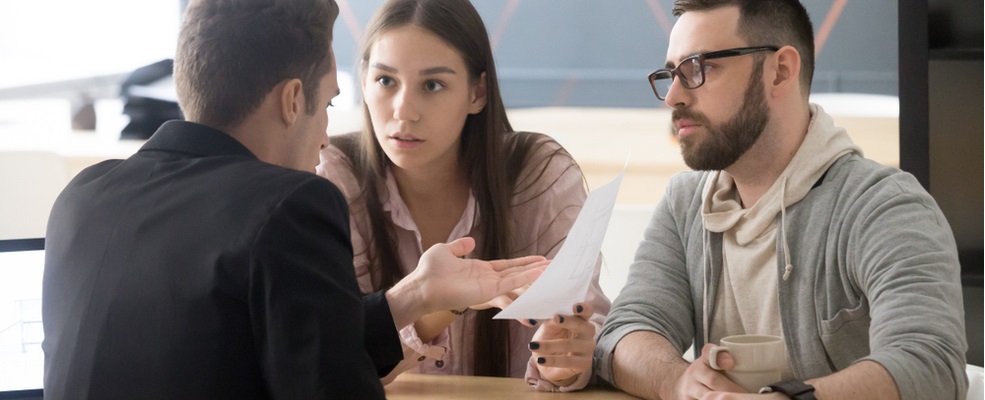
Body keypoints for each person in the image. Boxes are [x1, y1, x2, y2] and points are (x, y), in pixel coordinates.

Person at [41, 0, 547, 399]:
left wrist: (415, 295)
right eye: (326, 103)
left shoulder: (83, 196)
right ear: (290, 101)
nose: (327, 136)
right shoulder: (289, 205)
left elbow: (273, 348)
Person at [594, 0, 968, 399]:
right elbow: (626, 331)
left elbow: (931, 367)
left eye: (699, 69)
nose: (673, 97)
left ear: (781, 71)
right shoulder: (685, 203)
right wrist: (680, 382)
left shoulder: (884, 206)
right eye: (671, 74)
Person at [315, 0, 609, 391]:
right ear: (364, 81)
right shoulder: (333, 175)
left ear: (478, 92)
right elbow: (329, 358)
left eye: (432, 85)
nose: (404, 111)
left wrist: (566, 363)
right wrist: (435, 302)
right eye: (386, 81)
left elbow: (586, 323)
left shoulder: (539, 173)